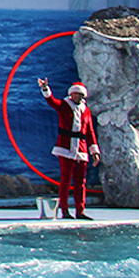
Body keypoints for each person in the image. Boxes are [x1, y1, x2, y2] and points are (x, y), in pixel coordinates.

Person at [38, 77, 99, 219]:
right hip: (65, 148)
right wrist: (45, 89)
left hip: (81, 150)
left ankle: (80, 211)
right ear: (71, 94)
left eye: (81, 94)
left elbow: (90, 132)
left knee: (80, 182)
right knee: (65, 181)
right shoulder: (64, 105)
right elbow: (52, 101)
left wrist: (94, 152)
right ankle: (64, 210)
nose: (78, 97)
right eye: (76, 94)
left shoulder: (86, 111)